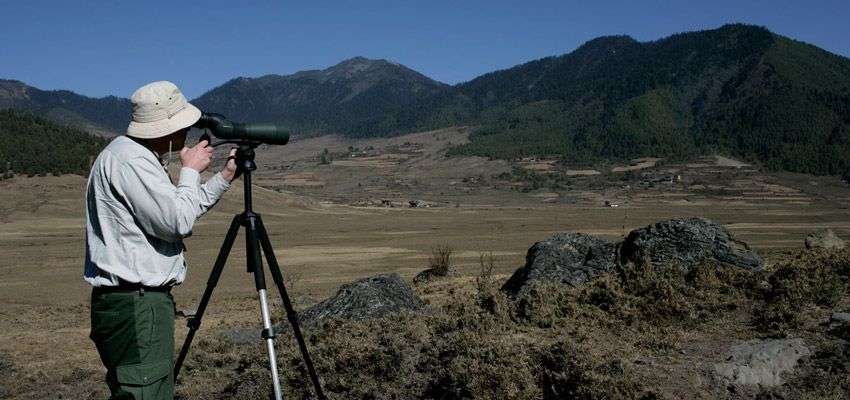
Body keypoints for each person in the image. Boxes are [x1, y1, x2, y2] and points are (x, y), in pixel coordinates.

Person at [84, 81, 237, 399]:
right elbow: (177, 223)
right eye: (183, 127)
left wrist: (223, 178)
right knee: (146, 392)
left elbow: (180, 210)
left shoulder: (132, 155)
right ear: (166, 129)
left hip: (133, 303)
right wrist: (190, 171)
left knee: (140, 389)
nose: (186, 134)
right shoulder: (132, 161)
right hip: (137, 304)